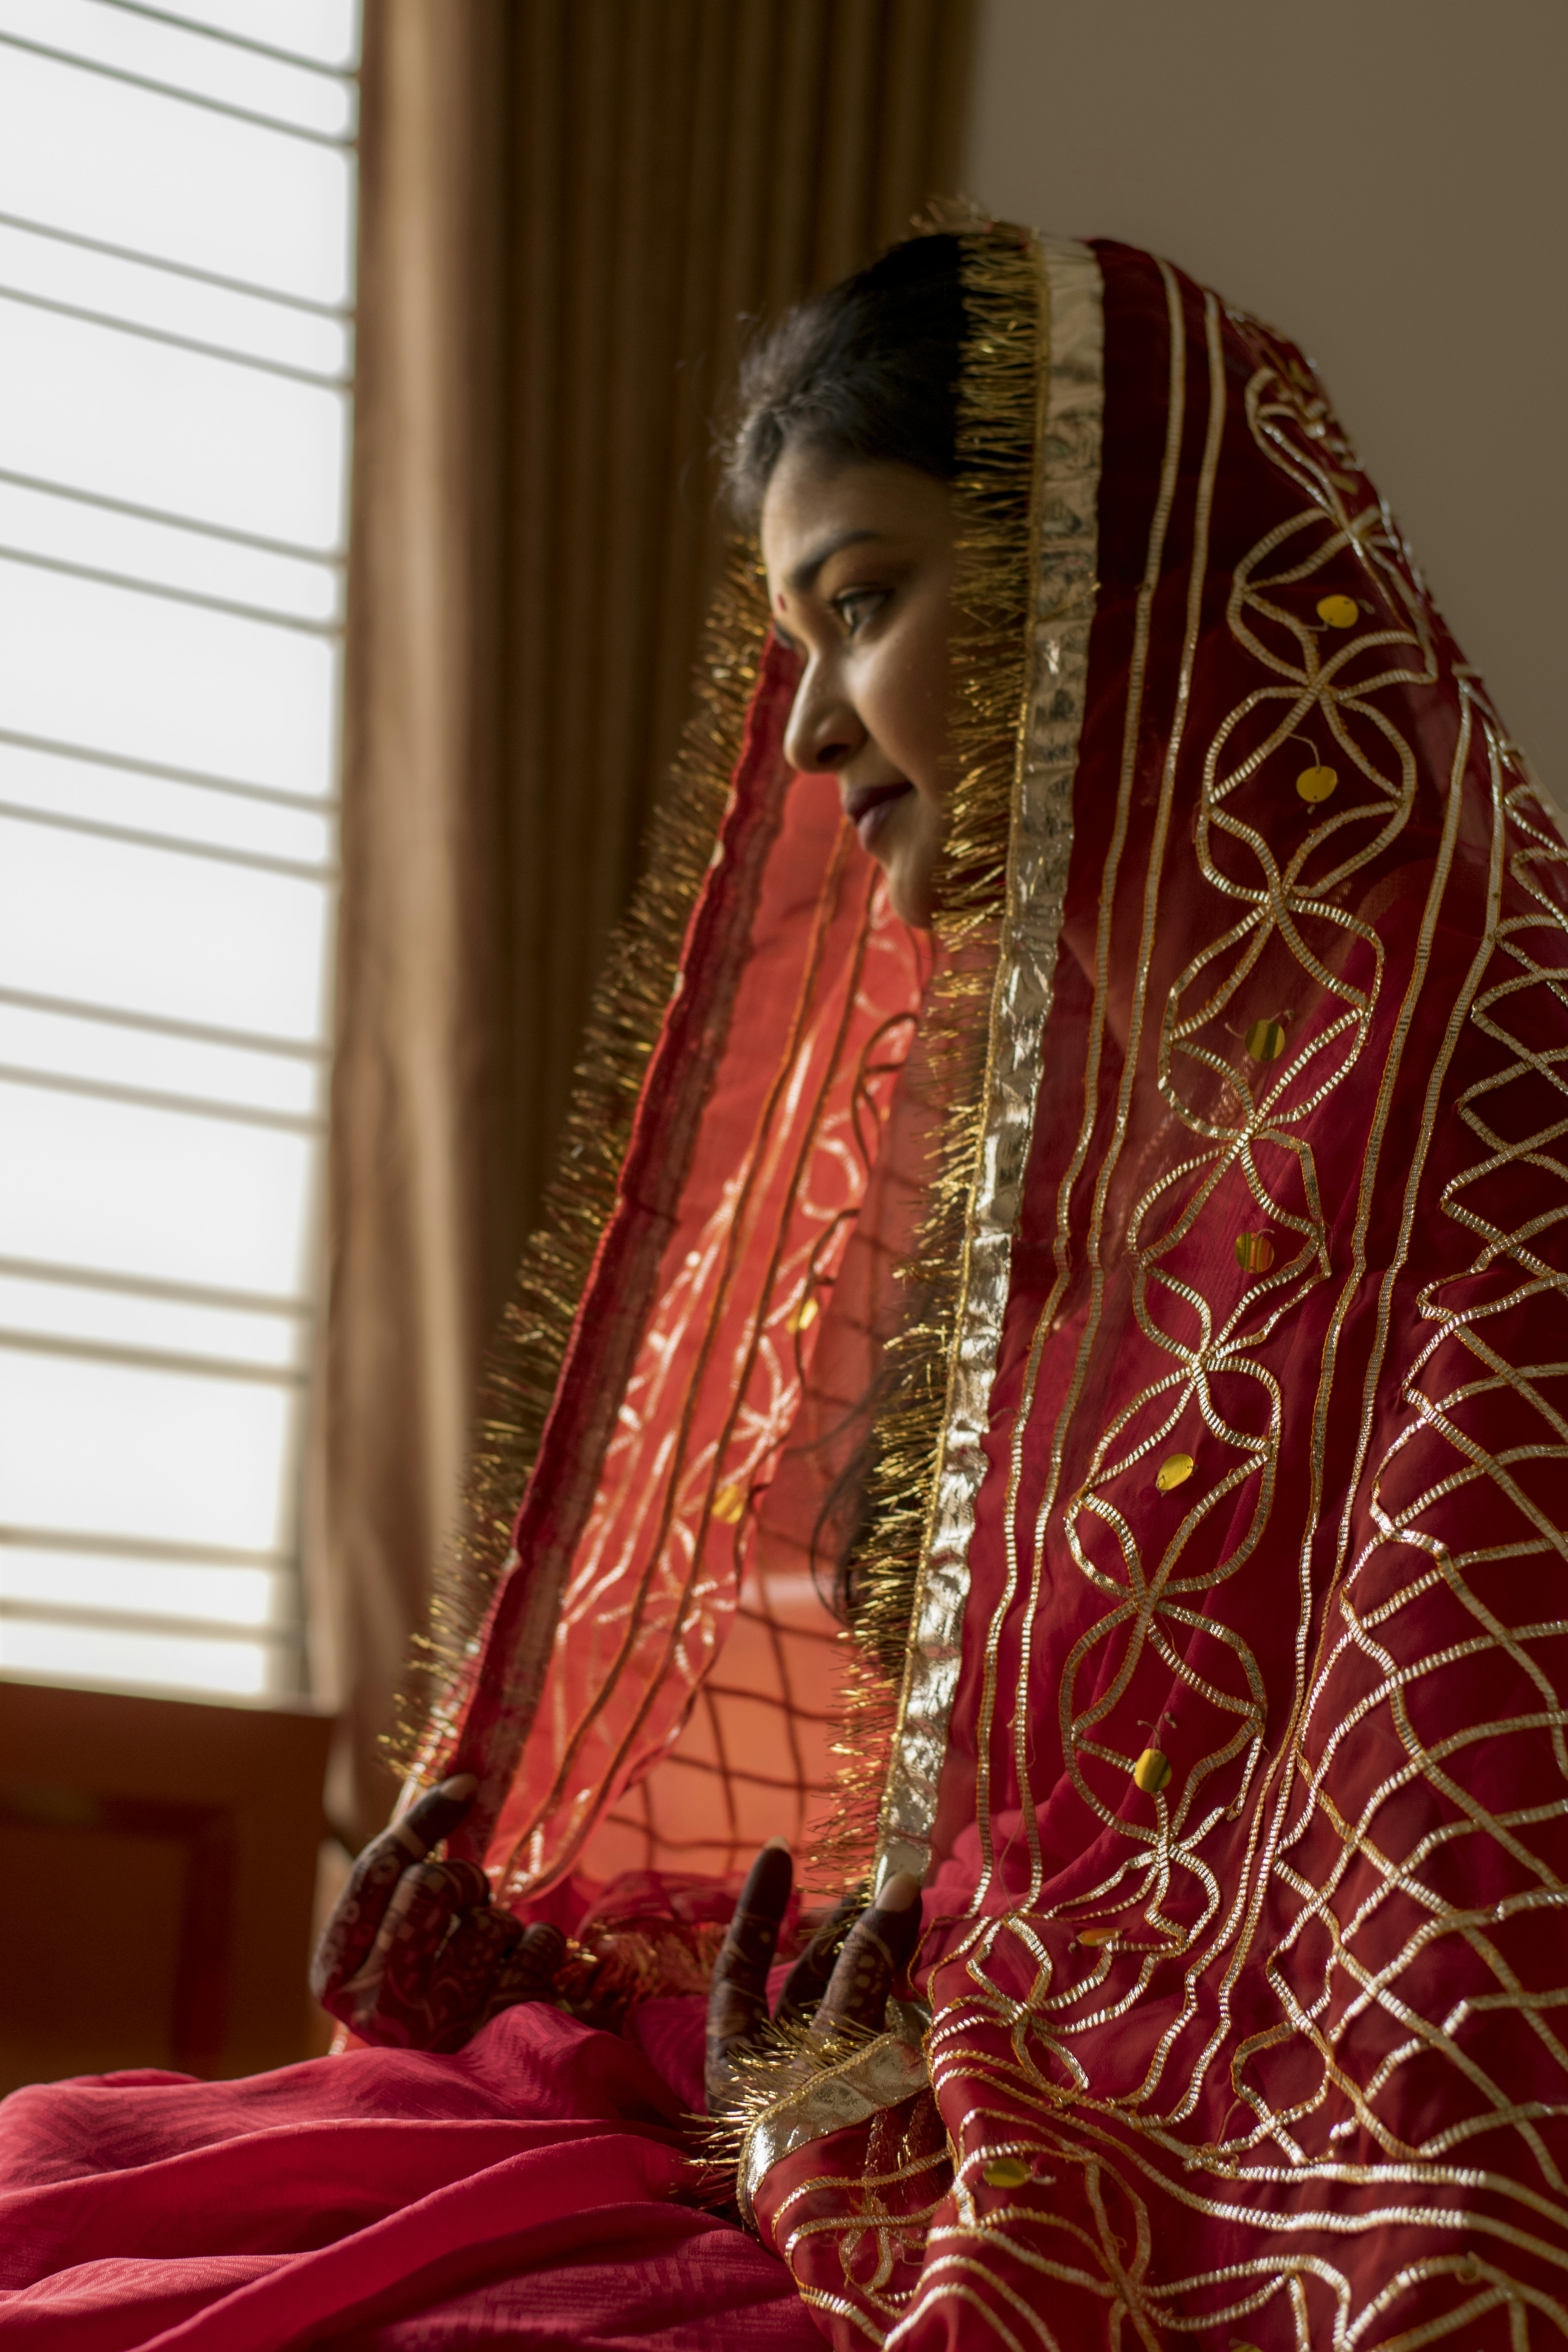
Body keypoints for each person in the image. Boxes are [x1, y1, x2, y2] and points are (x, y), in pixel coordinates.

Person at [1, 217, 1564, 2350]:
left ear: (1121, 577)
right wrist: (608, 1973)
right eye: (799, 641)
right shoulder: (1087, 1154)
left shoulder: (1488, 1106)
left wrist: (868, 2119)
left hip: (1197, 2196)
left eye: (868, 603)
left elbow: (1442, 1947)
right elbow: (994, 1855)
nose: (818, 730)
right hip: (932, 2117)